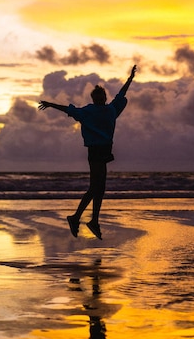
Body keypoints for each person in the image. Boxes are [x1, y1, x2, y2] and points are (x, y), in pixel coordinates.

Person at [38, 65, 136, 239]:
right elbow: (69, 109)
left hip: (105, 151)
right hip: (95, 151)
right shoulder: (88, 111)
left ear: (104, 98)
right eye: (97, 97)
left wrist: (130, 79)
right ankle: (78, 218)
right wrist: (50, 104)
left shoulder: (111, 110)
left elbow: (121, 95)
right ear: (94, 98)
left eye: (102, 96)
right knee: (95, 188)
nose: (100, 99)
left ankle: (90, 220)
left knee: (101, 188)